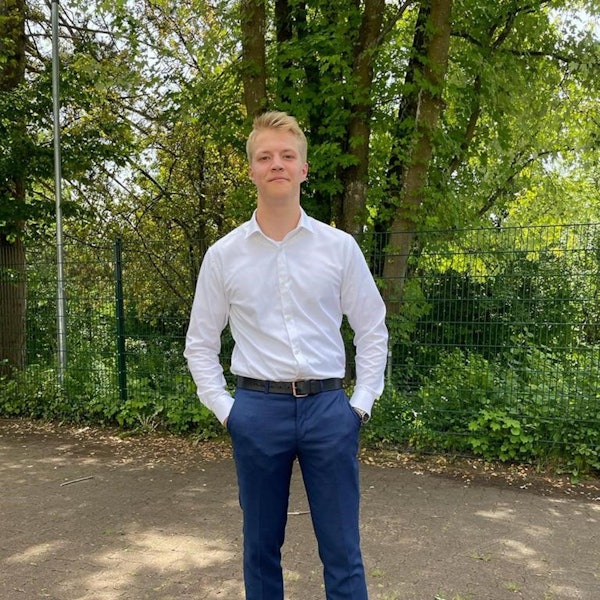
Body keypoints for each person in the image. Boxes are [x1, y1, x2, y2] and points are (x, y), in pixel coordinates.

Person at [184, 111, 388, 600]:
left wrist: (360, 404)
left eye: (287, 155)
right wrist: (228, 411)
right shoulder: (223, 255)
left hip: (329, 410)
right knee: (260, 549)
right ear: (251, 170)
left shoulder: (339, 248)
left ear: (303, 169)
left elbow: (371, 328)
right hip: (257, 411)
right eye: (265, 156)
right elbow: (200, 343)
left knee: (343, 549)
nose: (276, 163)